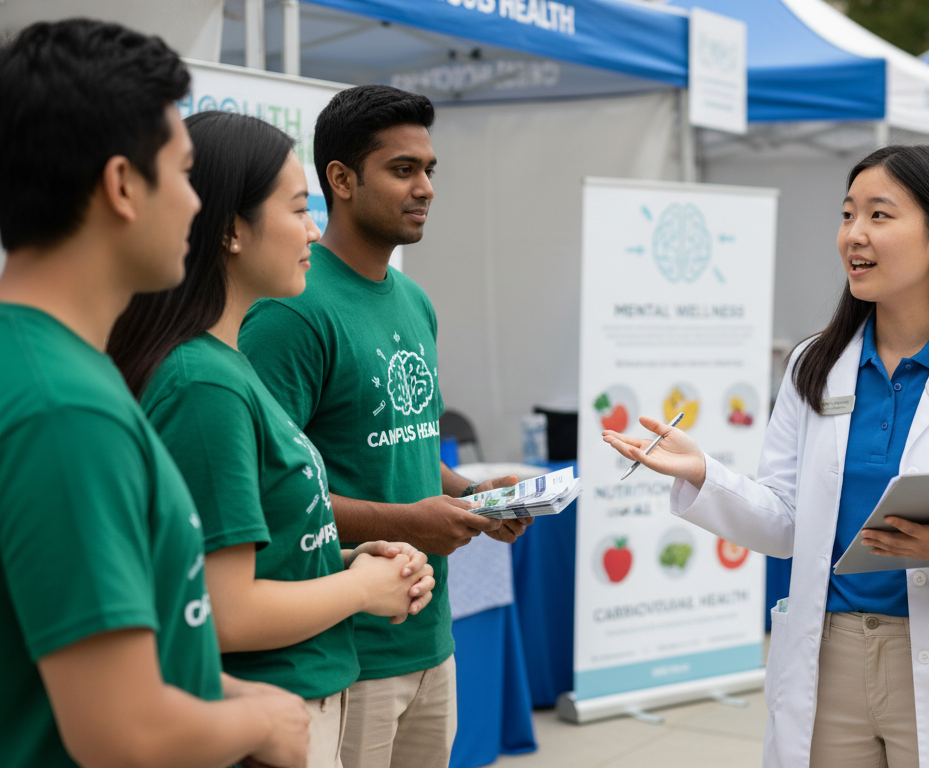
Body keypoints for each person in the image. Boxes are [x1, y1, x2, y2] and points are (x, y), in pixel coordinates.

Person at [604, 145, 929, 767]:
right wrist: (706, 475)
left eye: (880, 216)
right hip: (828, 659)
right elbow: (786, 521)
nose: (854, 236)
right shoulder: (816, 364)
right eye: (847, 214)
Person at [0, 19, 310, 768]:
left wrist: (225, 695)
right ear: (120, 186)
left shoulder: (51, 365)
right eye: (182, 172)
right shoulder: (67, 410)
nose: (198, 205)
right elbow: (125, 733)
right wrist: (266, 722)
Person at [106, 111, 440, 768]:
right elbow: (225, 610)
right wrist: (362, 590)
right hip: (269, 710)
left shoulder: (223, 367)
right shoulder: (204, 384)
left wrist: (343, 562)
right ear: (232, 229)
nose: (313, 230)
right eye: (297, 209)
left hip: (299, 698)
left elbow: (252, 556)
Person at [238, 84, 532, 768]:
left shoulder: (414, 301)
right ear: (340, 180)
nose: (425, 187)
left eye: (429, 170)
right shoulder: (292, 311)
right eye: (403, 170)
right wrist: (407, 522)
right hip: (346, 649)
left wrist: (476, 497)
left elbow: (407, 443)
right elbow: (274, 496)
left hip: (429, 635)